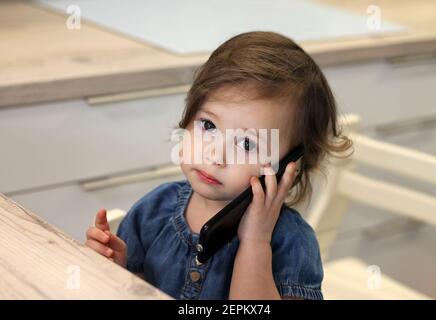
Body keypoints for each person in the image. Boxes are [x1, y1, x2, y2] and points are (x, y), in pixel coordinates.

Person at [85, 31, 352, 299]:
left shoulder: (291, 242)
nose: (216, 155)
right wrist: (118, 271)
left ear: (287, 168)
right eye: (209, 125)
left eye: (247, 144)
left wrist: (256, 242)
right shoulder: (153, 211)